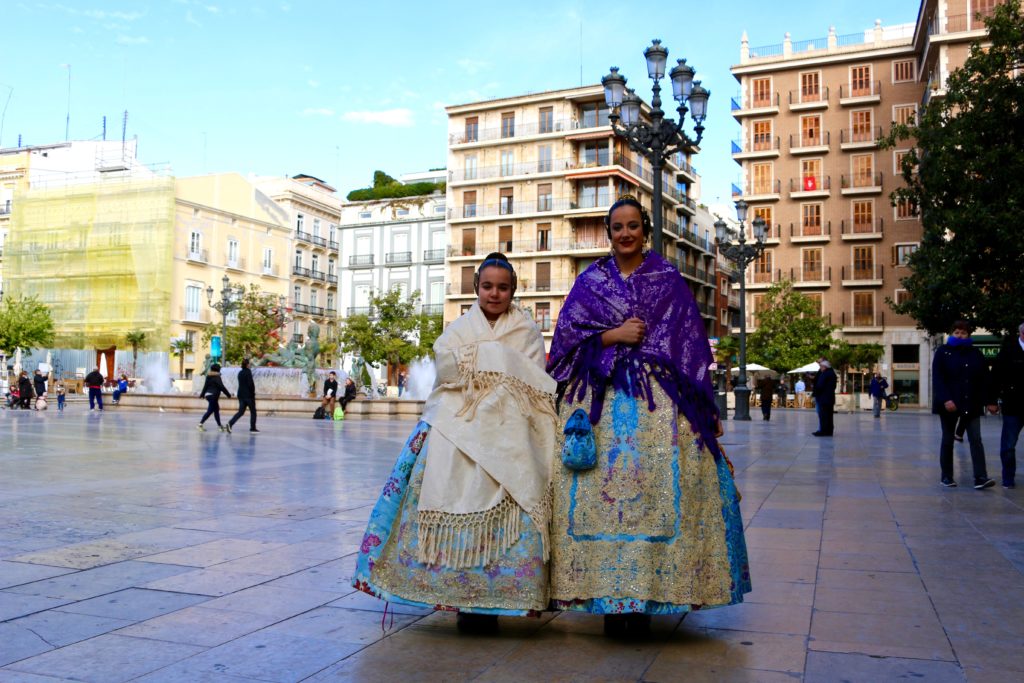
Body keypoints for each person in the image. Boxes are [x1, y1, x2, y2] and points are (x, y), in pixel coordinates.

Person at [546, 195, 750, 638]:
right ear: (608, 233)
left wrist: (703, 408)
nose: (625, 233)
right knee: (596, 496)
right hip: (600, 402)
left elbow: (690, 351)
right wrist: (611, 336)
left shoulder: (669, 279)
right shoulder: (590, 281)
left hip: (660, 405)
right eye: (617, 226)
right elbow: (563, 347)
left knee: (658, 492)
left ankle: (646, 598)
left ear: (646, 231)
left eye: (633, 225)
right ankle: (606, 600)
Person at [353, 252, 557, 633]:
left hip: (511, 420)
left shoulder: (526, 330)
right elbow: (446, 369)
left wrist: (483, 366)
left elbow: (531, 378)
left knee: (525, 481)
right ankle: (459, 598)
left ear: (513, 290)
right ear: (476, 288)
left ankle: (499, 597)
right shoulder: (459, 327)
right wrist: (493, 365)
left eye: (503, 287)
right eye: (487, 286)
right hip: (457, 418)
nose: (494, 294)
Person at [932, 320, 995, 489]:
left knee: (976, 439)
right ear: (952, 334)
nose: (960, 335)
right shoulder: (943, 352)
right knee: (947, 440)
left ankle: (981, 477)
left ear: (968, 335)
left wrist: (990, 401)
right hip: (949, 405)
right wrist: (946, 399)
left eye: (963, 333)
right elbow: (938, 378)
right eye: (957, 332)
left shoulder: (975, 353)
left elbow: (984, 379)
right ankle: (946, 476)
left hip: (971, 403)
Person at [988, 322, 1024, 488]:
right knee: (1008, 446)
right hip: (1013, 404)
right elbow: (995, 376)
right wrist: (992, 401)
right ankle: (1008, 478)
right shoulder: (1008, 351)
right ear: (1021, 333)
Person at [197, 362, 231, 432]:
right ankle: (200, 424)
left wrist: (202, 394)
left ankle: (219, 426)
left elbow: (205, 386)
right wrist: (228, 394)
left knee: (216, 410)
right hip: (213, 396)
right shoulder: (217, 377)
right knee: (210, 411)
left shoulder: (208, 376)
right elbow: (221, 387)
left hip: (208, 395)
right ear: (218, 370)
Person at [228, 358, 258, 434]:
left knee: (241, 412)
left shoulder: (240, 373)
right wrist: (252, 393)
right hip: (248, 395)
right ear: (247, 365)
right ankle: (252, 428)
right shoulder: (248, 372)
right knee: (253, 412)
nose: (250, 365)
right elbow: (250, 384)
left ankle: (230, 423)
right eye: (249, 364)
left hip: (241, 395)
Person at [811, 358, 837, 436]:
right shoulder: (832, 373)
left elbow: (820, 386)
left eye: (821, 366)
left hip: (823, 398)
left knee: (824, 416)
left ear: (825, 366)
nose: (820, 368)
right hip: (829, 398)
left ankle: (823, 431)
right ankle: (829, 431)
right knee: (829, 416)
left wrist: (815, 392)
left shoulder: (825, 374)